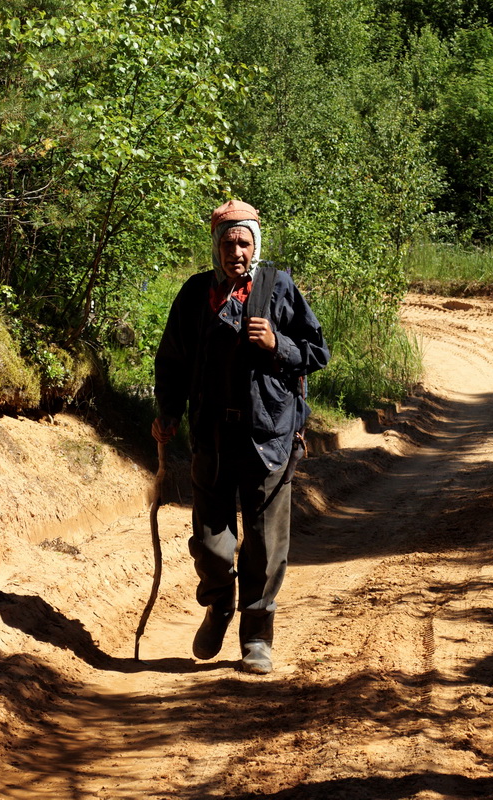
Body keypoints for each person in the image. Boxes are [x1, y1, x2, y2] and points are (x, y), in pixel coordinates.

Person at [151, 200, 329, 674]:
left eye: (244, 242)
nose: (236, 250)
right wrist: (167, 412)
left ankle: (256, 638)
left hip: (268, 435)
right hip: (210, 435)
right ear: (215, 246)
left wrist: (279, 344)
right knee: (211, 542)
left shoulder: (279, 288)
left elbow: (317, 351)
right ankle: (218, 605)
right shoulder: (194, 295)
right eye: (228, 242)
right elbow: (171, 361)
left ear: (256, 245)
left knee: (266, 544)